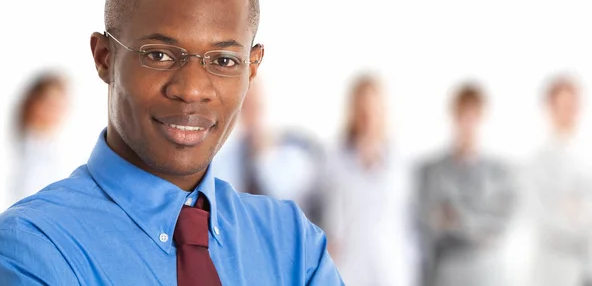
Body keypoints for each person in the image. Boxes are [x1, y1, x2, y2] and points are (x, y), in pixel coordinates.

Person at [0, 0, 343, 285]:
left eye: (223, 60)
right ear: (104, 58)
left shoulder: (294, 246)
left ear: (251, 70)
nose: (191, 90)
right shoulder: (30, 249)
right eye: (158, 55)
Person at [416, 83, 516, 286]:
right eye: (463, 116)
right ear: (453, 116)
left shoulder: (500, 175)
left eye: (473, 117)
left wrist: (456, 218)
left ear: (483, 118)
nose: (468, 124)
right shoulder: (431, 172)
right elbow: (429, 224)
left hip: (487, 276)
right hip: (445, 275)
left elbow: (498, 228)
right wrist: (478, 220)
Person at [323, 74, 418, 286]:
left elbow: (407, 221)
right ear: (353, 112)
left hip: (391, 267)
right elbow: (331, 215)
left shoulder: (399, 161)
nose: (367, 116)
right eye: (362, 109)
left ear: (382, 111)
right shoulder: (336, 159)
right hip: (349, 265)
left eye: (372, 108)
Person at [211, 79, 323, 223]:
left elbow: (283, 194)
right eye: (245, 106)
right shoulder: (226, 155)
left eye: (255, 105)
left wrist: (263, 154)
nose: (250, 113)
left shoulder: (292, 154)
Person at [526, 76, 592, 286]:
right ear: (549, 108)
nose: (570, 112)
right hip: (554, 271)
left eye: (574, 105)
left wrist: (576, 210)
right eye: (563, 106)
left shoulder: (585, 156)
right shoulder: (537, 163)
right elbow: (546, 220)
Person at [9, 72, 70, 203]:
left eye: (60, 105)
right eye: (50, 104)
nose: (56, 111)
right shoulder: (24, 149)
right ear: (34, 104)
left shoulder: (56, 147)